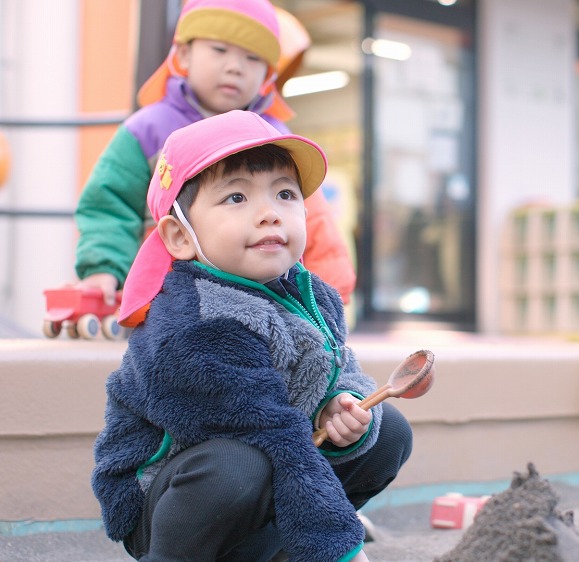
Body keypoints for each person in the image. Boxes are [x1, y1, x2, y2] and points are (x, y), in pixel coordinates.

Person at [91, 110, 413, 561]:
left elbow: (340, 370)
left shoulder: (309, 292)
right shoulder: (194, 323)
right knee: (238, 463)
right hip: (171, 499)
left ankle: (271, 548)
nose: (269, 214)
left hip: (272, 467)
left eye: (284, 193)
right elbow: (276, 438)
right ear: (181, 237)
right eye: (237, 197)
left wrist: (336, 405)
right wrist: (338, 548)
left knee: (386, 432)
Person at [73, 0, 356, 308]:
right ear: (183, 54)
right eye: (219, 50)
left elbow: (313, 219)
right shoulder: (149, 129)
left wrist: (330, 295)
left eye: (252, 57)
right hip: (166, 299)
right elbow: (109, 203)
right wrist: (103, 268)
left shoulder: (275, 140)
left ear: (267, 78)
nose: (235, 66)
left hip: (264, 299)